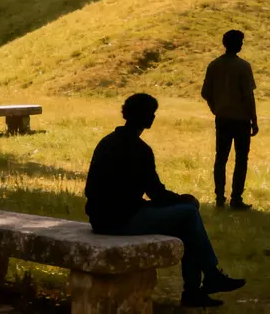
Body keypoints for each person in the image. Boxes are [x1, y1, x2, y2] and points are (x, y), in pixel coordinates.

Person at [84, 93, 246, 309]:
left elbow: (92, 188)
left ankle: (200, 285)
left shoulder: (106, 142)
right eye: (151, 113)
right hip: (120, 220)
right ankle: (204, 281)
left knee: (186, 220)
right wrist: (184, 199)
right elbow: (157, 193)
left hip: (102, 217)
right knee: (188, 214)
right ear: (145, 117)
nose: (153, 117)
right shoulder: (140, 150)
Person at [201, 29, 258, 210]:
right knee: (241, 159)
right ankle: (236, 199)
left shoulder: (214, 65)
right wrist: (254, 120)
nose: (242, 45)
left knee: (221, 158)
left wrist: (215, 108)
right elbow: (248, 96)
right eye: (241, 42)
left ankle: (219, 197)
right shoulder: (243, 66)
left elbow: (205, 93)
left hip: (222, 118)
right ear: (237, 44)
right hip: (241, 120)